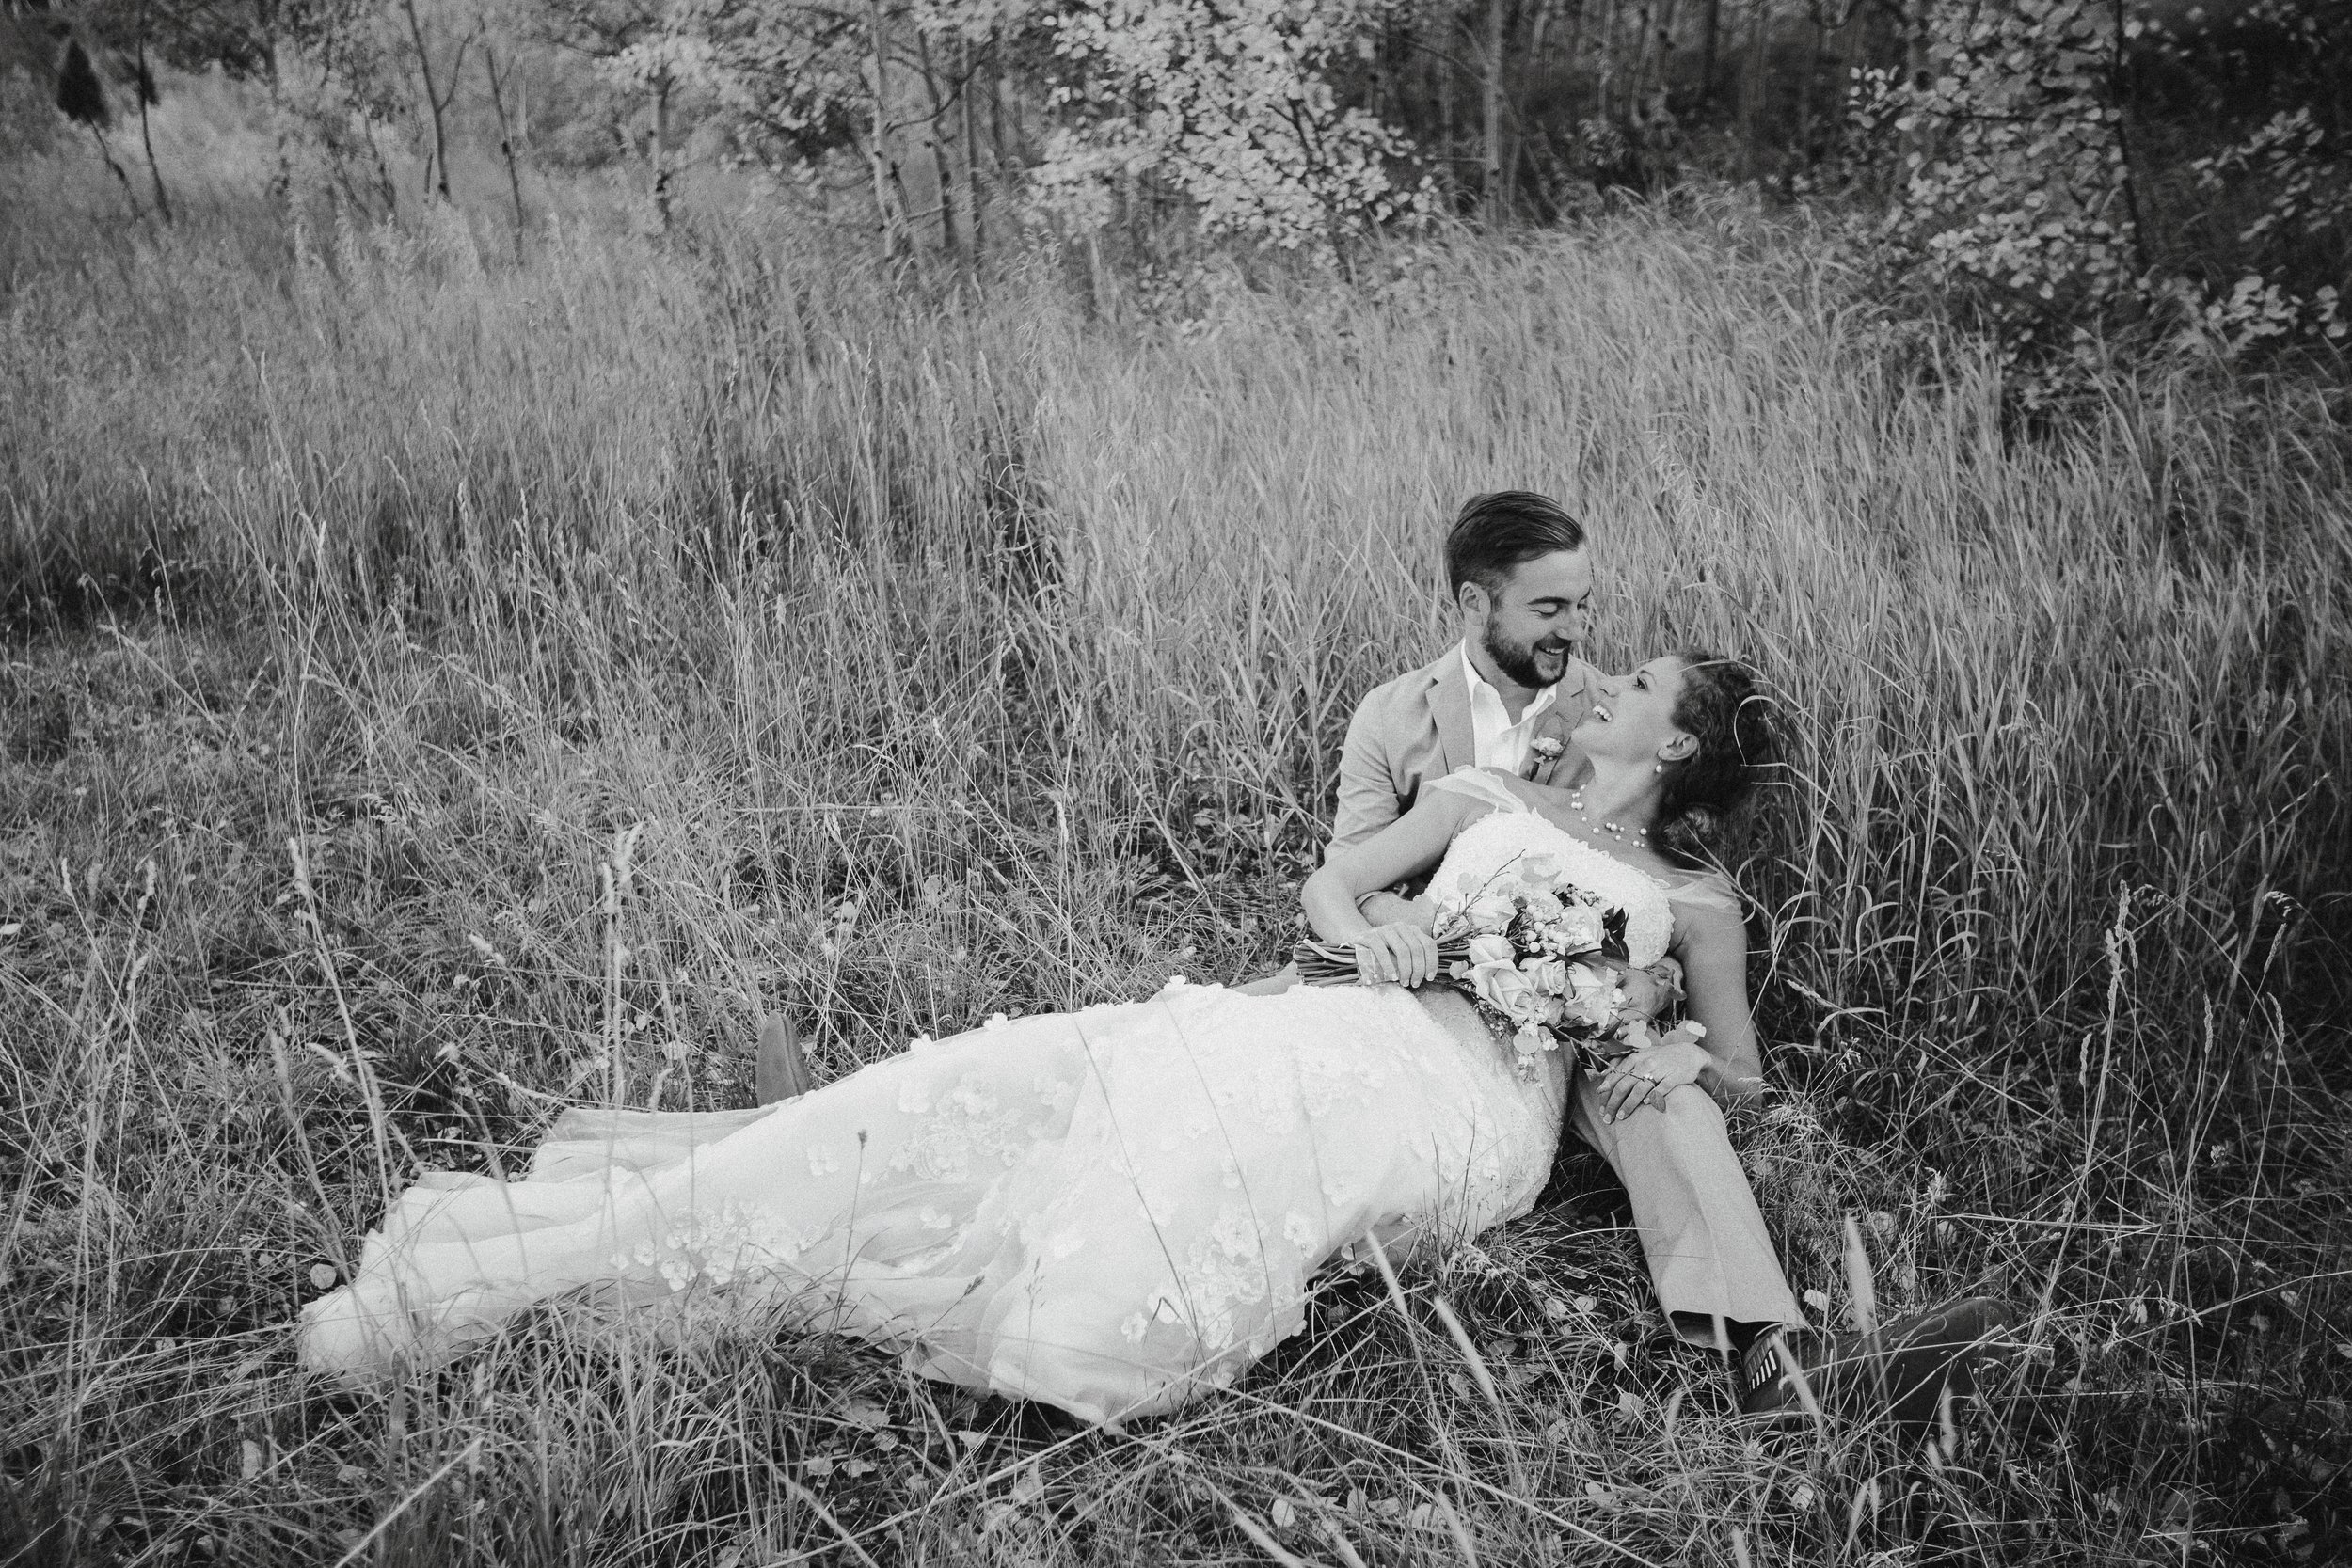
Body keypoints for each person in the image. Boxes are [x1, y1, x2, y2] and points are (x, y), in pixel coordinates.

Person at [298, 648, 2004, 1432]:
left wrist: (1639, 1038)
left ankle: (1088, 1308)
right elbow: (1336, 889)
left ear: (1679, 742)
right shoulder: (1484, 788)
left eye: (1637, 686)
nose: (1602, 684)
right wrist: (1382, 926)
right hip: (1360, 1009)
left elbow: (1745, 1071)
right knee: (1014, 1074)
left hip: (1484, 1099)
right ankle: (593, 1249)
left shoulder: (1694, 901)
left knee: (1268, 1123)